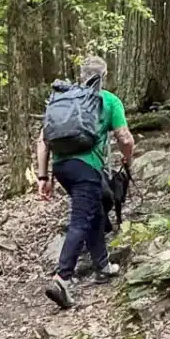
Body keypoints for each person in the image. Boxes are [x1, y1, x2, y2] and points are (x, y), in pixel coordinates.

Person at [35, 54, 135, 309]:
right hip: (86, 167)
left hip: (62, 168)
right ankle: (62, 277)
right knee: (81, 218)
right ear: (104, 76)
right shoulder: (108, 100)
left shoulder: (64, 99)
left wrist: (43, 177)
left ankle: (102, 265)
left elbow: (42, 141)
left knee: (96, 210)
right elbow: (124, 137)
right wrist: (127, 160)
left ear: (81, 76)